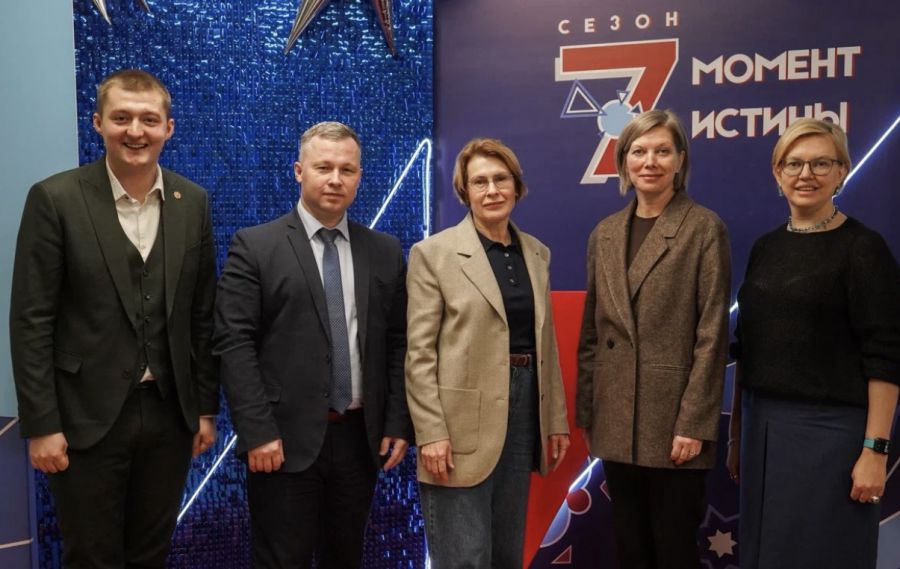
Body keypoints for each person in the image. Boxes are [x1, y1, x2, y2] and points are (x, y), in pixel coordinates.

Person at [10, 68, 219, 568]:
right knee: (92, 556)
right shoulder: (55, 199)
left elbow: (202, 316)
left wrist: (205, 409)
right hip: (84, 417)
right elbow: (31, 320)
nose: (135, 131)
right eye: (121, 118)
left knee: (151, 554)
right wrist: (42, 424)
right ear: (98, 122)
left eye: (149, 119)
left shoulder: (192, 202)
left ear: (169, 128)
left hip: (169, 417)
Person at [213, 121, 411, 568]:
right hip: (281, 442)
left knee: (346, 558)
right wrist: (257, 431)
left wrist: (398, 421)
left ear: (359, 177)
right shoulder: (256, 246)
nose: (336, 179)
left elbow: (399, 343)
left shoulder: (384, 250)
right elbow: (234, 343)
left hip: (360, 441)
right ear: (299, 171)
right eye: (324, 167)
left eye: (347, 169)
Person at [727, 118, 899, 569]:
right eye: (794, 164)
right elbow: (748, 347)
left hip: (833, 436)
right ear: (777, 172)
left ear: (842, 170)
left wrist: (875, 451)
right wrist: (737, 437)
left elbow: (886, 356)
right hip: (762, 429)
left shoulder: (863, 248)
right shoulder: (766, 247)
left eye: (821, 163)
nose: (806, 174)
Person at [575, 109, 731, 569]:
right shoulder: (604, 233)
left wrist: (694, 423)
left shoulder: (703, 228)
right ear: (624, 161)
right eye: (639, 151)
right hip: (616, 417)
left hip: (673, 423)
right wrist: (589, 412)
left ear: (680, 160)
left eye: (662, 151)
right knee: (632, 550)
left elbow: (712, 334)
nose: (650, 162)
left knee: (673, 552)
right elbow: (593, 331)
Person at [405, 138, 570, 569]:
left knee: (505, 554)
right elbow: (419, 354)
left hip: (523, 412)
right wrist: (431, 432)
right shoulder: (433, 254)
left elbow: (545, 342)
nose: (492, 190)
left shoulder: (536, 253)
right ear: (465, 191)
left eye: (501, 179)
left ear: (517, 186)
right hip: (457, 420)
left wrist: (554, 419)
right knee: (464, 557)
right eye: (480, 182)